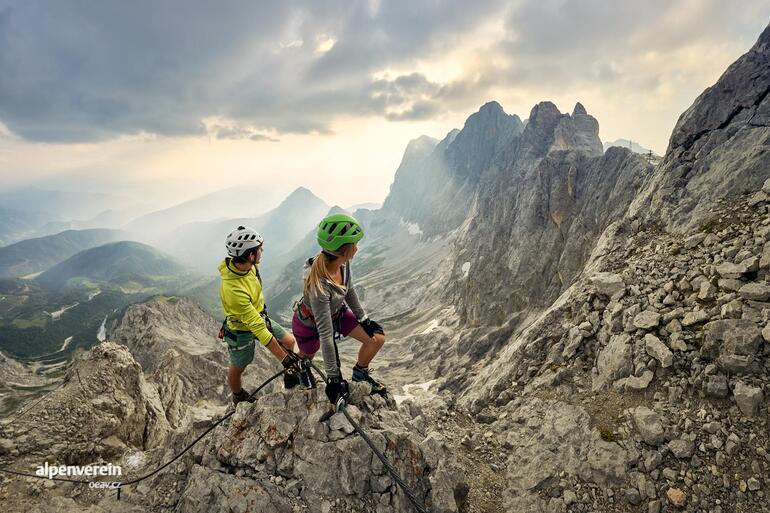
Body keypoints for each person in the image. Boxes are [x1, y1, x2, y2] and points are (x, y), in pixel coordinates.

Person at [291, 213, 386, 406]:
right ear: (344, 250)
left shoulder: (343, 263)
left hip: (337, 314)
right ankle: (299, 367)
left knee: (376, 339)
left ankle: (360, 374)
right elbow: (326, 335)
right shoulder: (319, 286)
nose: (357, 247)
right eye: (354, 244)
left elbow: (348, 289)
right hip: (309, 324)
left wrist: (364, 319)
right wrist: (333, 378)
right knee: (308, 354)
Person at [219, 226, 301, 404]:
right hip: (240, 329)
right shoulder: (233, 289)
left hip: (259, 316)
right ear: (250, 255)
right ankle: (238, 395)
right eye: (259, 249)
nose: (262, 251)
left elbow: (258, 321)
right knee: (239, 366)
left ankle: (290, 378)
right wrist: (286, 360)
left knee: (290, 341)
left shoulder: (249, 267)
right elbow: (258, 329)